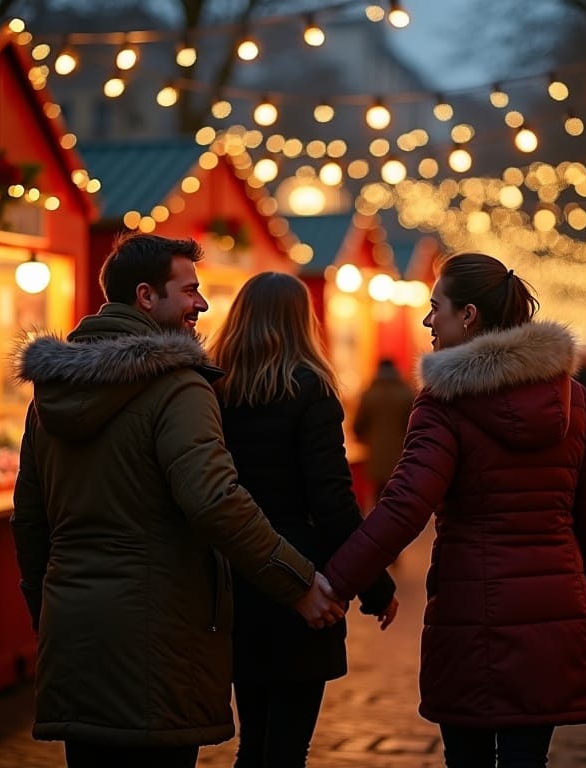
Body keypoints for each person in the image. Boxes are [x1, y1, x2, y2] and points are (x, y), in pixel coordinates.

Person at [10, 233, 345, 768]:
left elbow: (30, 519)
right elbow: (216, 501)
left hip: (74, 632)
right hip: (157, 636)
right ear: (146, 296)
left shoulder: (50, 392)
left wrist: (46, 612)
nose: (202, 304)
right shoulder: (177, 385)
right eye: (189, 290)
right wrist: (298, 582)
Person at [322, 253, 586, 768]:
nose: (427, 320)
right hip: (554, 606)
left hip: (471, 614)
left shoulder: (446, 403)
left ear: (469, 315)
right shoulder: (572, 397)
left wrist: (335, 583)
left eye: (436, 307)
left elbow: (405, 505)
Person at [210, 272, 398, 768]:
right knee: (288, 747)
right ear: (302, 322)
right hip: (301, 577)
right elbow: (332, 501)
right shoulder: (310, 389)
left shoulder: (213, 389)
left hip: (236, 574)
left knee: (253, 740)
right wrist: (375, 587)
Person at [353, 357, 416, 507]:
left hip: (376, 458)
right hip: (402, 459)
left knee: (379, 500)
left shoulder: (369, 395)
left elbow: (357, 427)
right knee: (399, 500)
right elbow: (415, 428)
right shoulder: (407, 394)